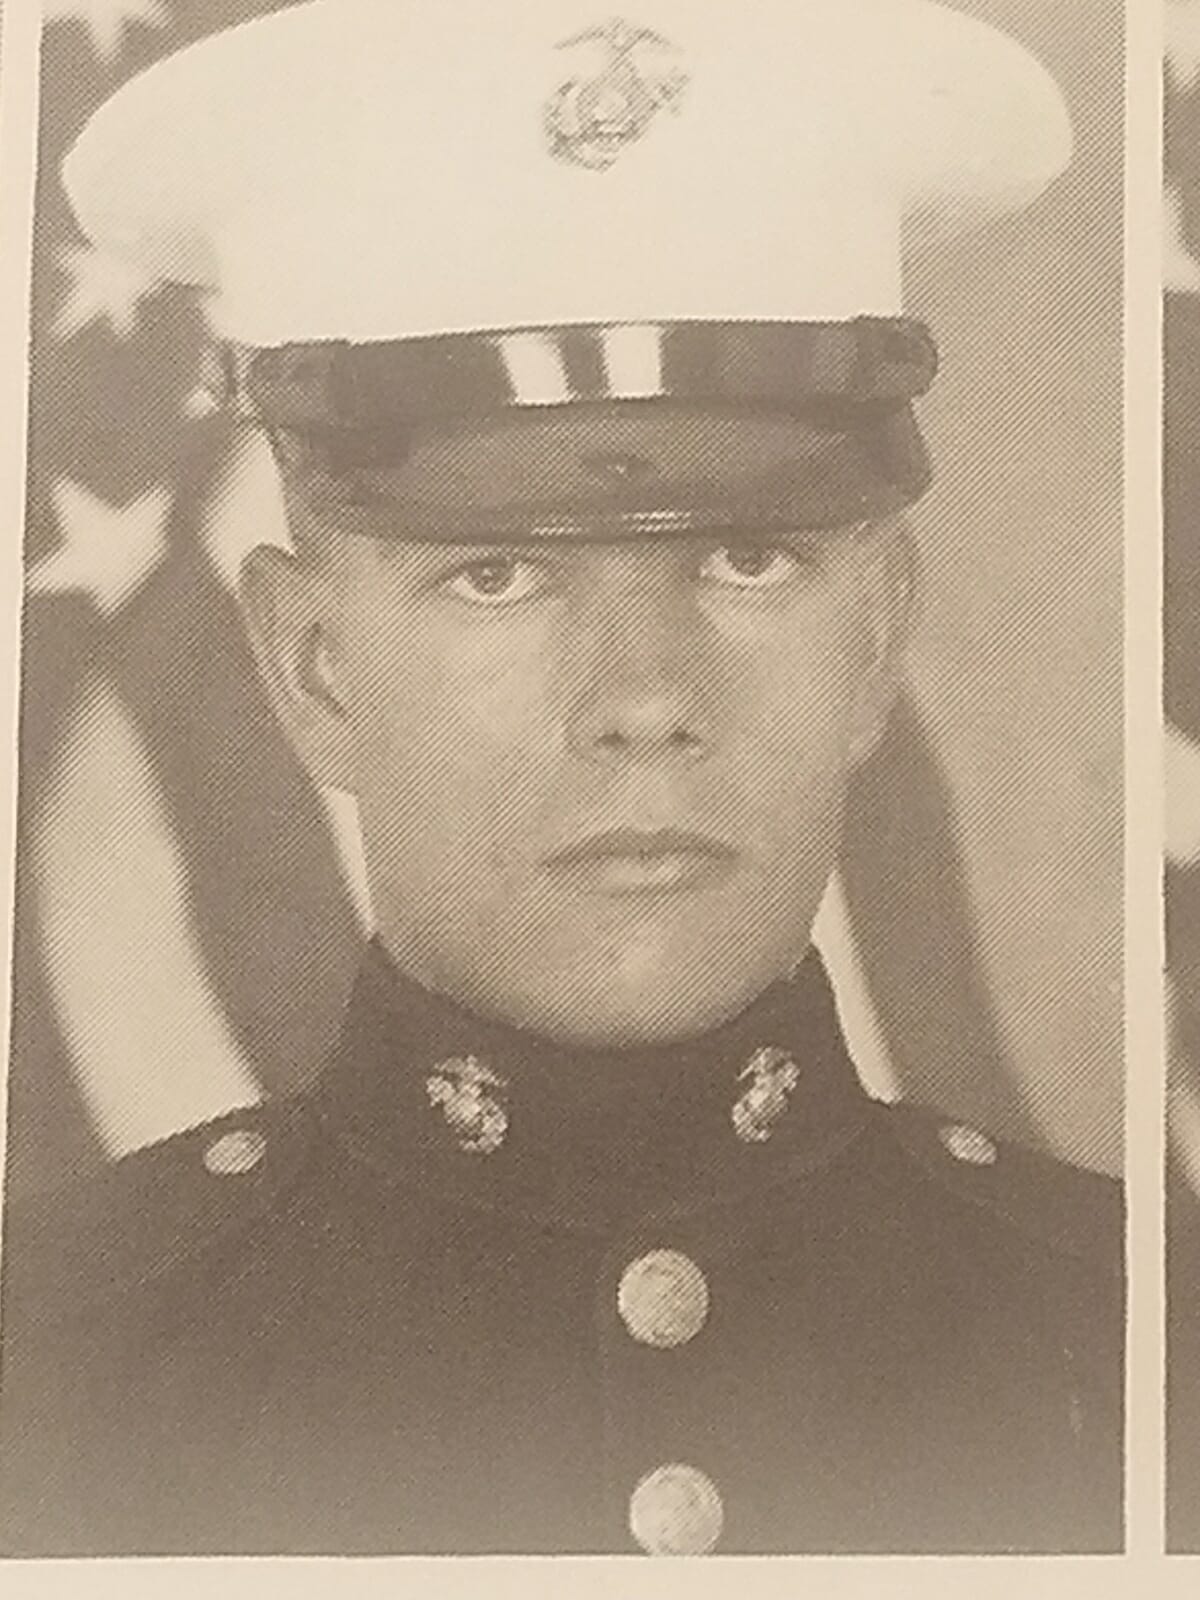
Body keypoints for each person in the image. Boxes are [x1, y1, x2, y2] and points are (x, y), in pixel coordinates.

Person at [0, 0, 1122, 1557]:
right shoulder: (50, 1376)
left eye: (745, 558)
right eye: (499, 575)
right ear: (315, 667)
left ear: (874, 642)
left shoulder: (1139, 1336)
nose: (645, 702)